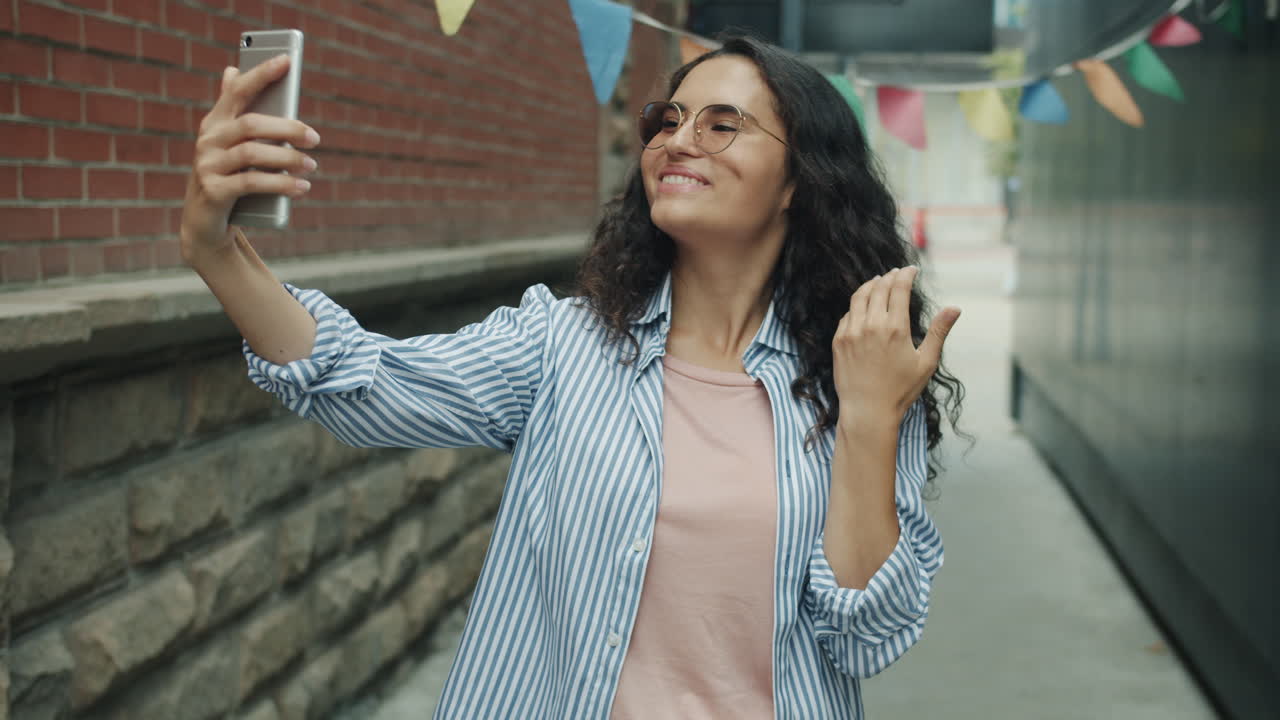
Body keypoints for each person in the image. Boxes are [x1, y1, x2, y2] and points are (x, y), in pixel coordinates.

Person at [181, 32, 964, 720]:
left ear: (799, 181)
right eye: (670, 119)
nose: (679, 141)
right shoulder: (563, 345)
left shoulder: (861, 372)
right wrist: (217, 252)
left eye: (723, 125)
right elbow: (363, 384)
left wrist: (867, 418)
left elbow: (866, 638)